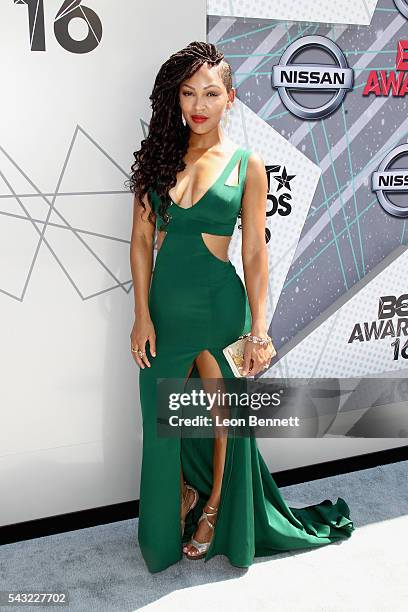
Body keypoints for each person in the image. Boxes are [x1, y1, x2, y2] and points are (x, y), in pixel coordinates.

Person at [127, 41, 355, 574]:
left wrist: (260, 328)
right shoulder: (158, 158)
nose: (198, 104)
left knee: (224, 417)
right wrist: (141, 314)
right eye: (187, 93)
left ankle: (213, 511)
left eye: (210, 93)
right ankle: (177, 501)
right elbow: (140, 241)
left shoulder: (247, 164)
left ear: (230, 99)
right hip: (163, 312)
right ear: (175, 100)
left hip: (220, 308)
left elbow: (254, 251)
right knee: (162, 425)